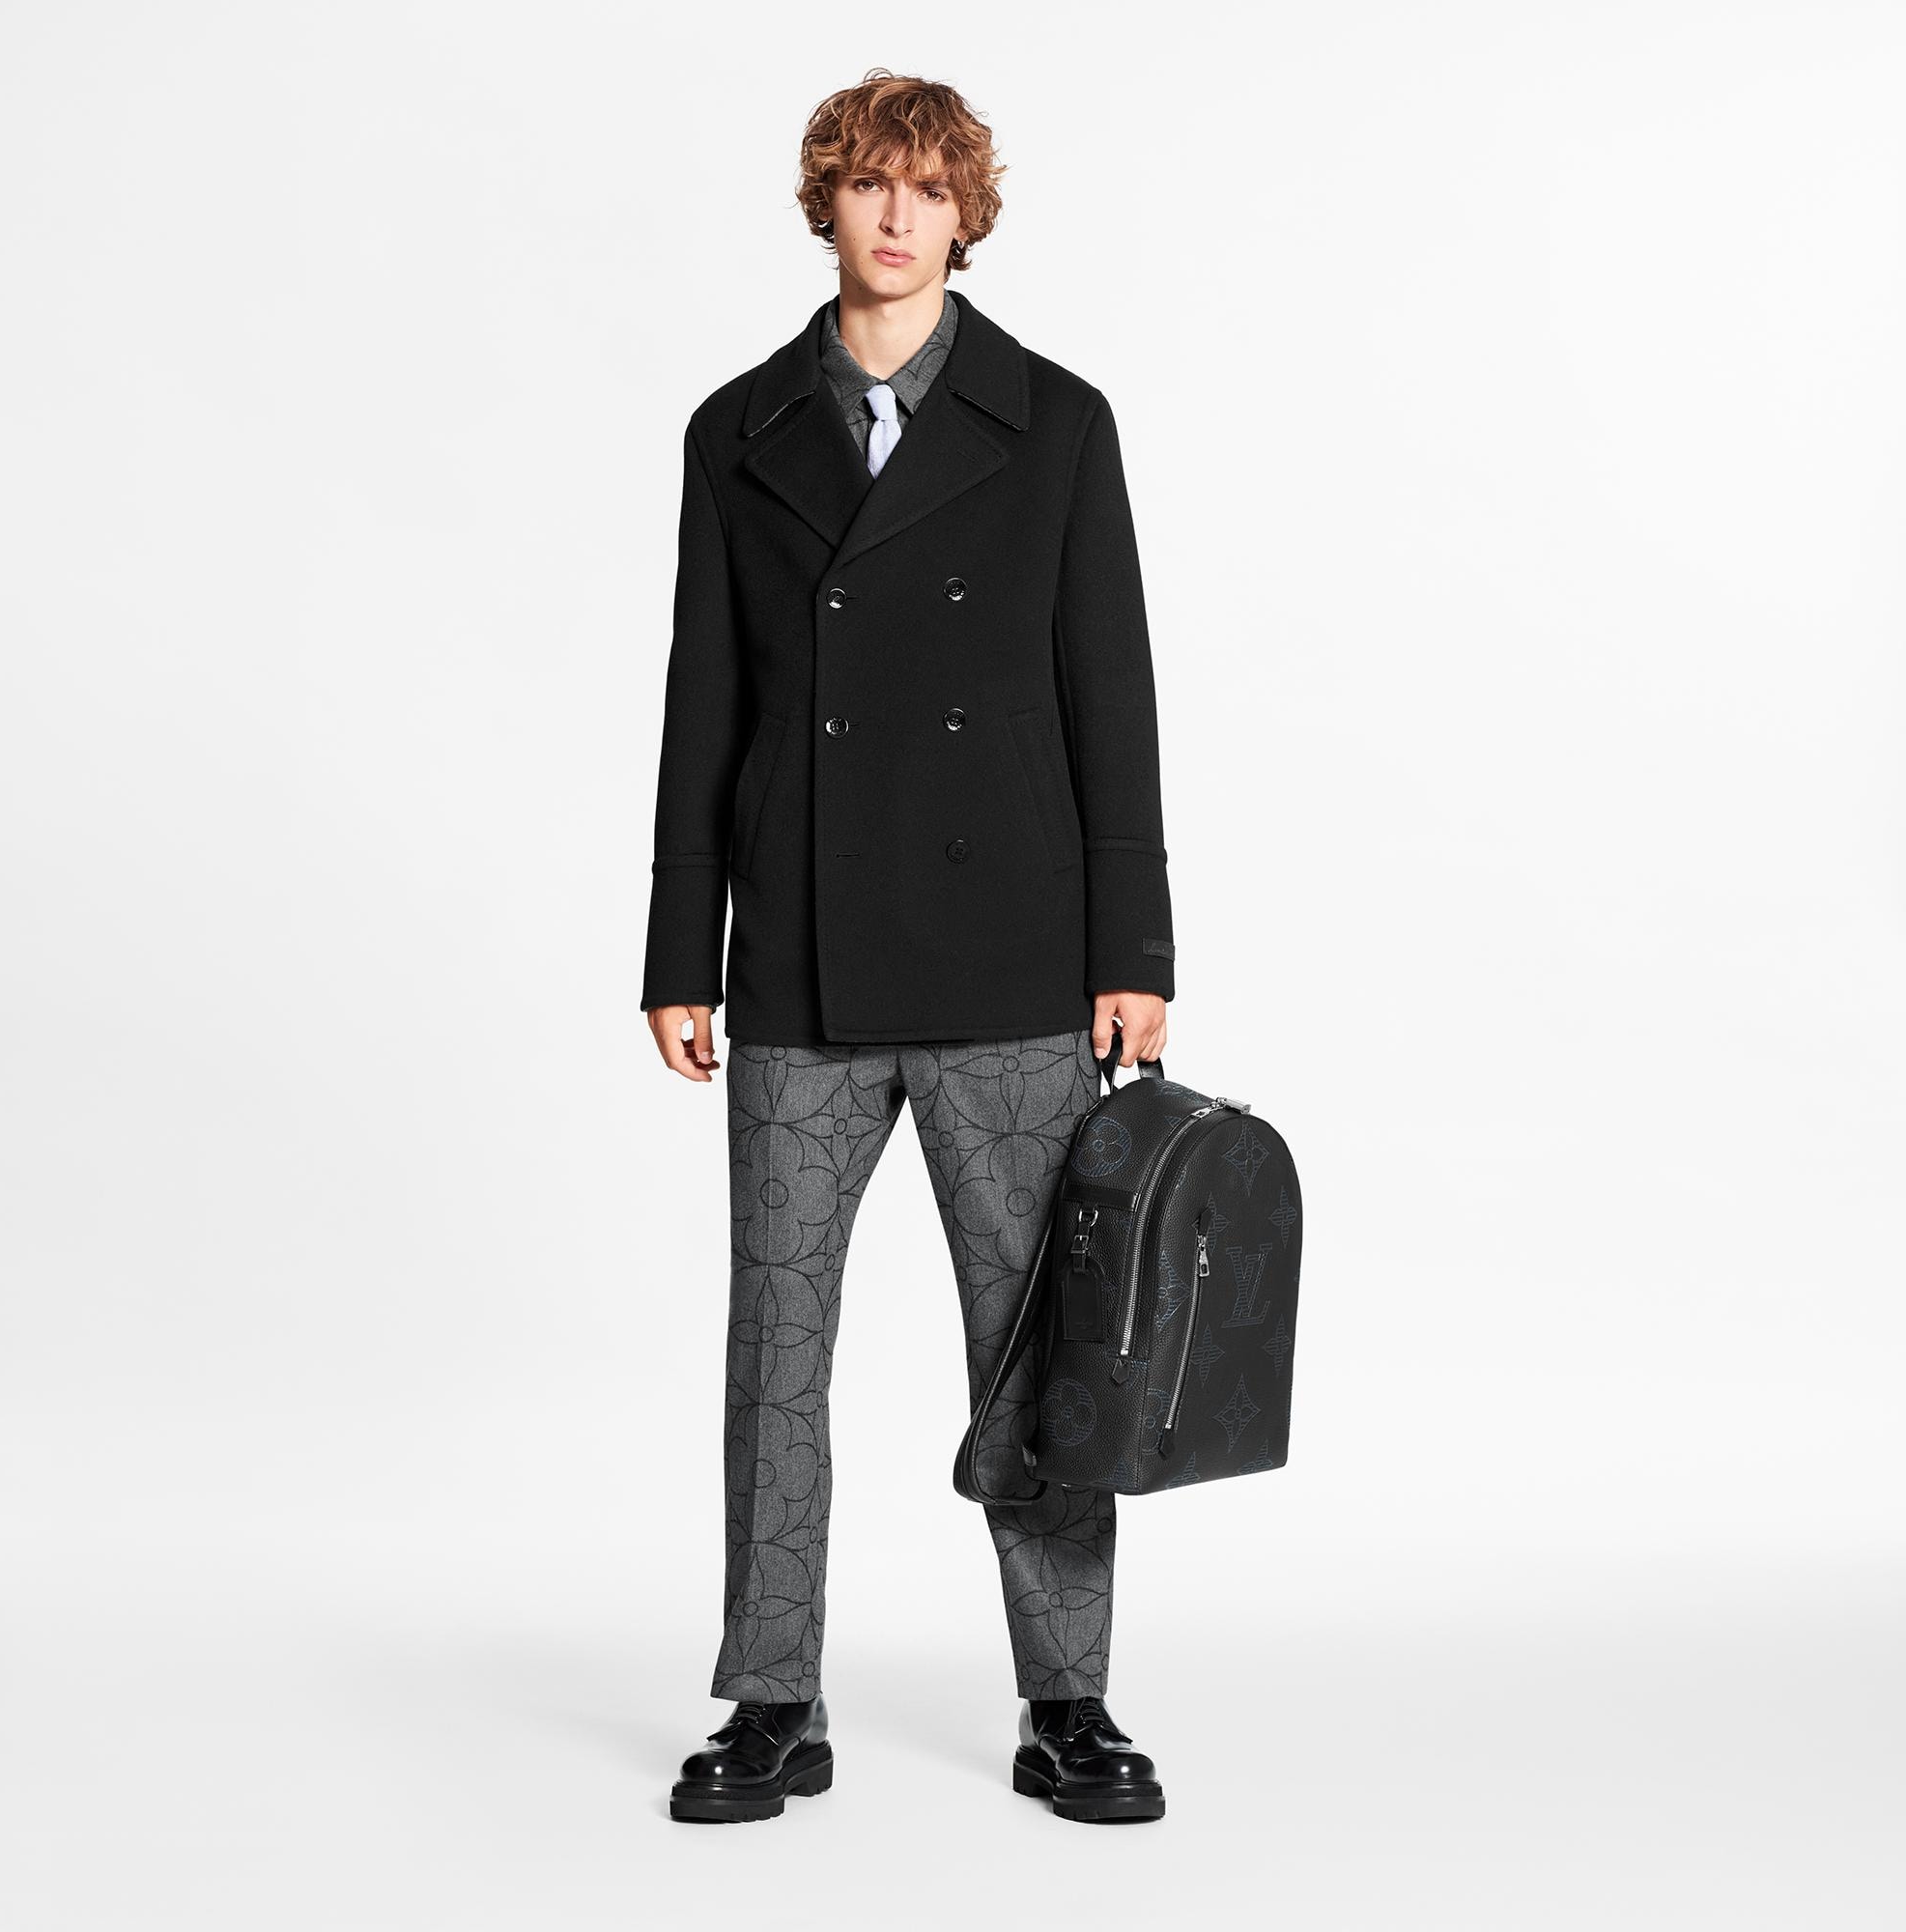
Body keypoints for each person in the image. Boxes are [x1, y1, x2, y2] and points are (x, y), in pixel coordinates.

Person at [642, 68, 1177, 1825]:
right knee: (775, 1351)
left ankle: (1069, 1700)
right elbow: (704, 700)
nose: (897, 215)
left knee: (1040, 1359)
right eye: (870, 183)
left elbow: (1111, 695)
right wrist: (682, 948)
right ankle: (771, 1698)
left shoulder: (1059, 423)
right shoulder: (737, 431)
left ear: (967, 214)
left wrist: (1133, 945)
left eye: (929, 188)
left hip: (1012, 956)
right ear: (829, 204)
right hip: (798, 959)